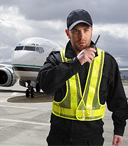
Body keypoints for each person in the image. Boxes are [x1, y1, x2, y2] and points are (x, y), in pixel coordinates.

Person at [37, 9, 128, 146]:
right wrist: (75, 62)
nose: (82, 36)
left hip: (92, 139)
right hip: (60, 139)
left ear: (92, 30)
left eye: (86, 30)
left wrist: (119, 129)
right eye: (76, 31)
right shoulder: (56, 58)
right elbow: (45, 86)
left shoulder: (107, 61)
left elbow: (118, 99)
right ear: (68, 34)